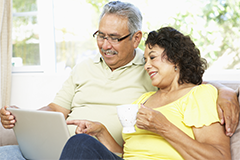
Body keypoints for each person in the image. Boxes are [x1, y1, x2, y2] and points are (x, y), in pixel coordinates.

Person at [0, 1, 238, 159]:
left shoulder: (159, 80)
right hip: (74, 149)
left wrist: (225, 91)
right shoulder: (145, 97)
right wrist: (22, 118)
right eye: (100, 36)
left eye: (113, 38)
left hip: (84, 150)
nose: (105, 45)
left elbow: (191, 85)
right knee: (7, 154)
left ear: (136, 39)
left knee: (80, 144)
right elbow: (127, 153)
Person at [60, 26, 232, 160]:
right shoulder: (144, 100)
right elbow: (128, 155)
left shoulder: (199, 95)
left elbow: (220, 156)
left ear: (176, 59)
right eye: (145, 60)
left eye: (153, 57)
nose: (147, 65)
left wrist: (164, 127)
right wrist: (101, 132)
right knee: (80, 144)